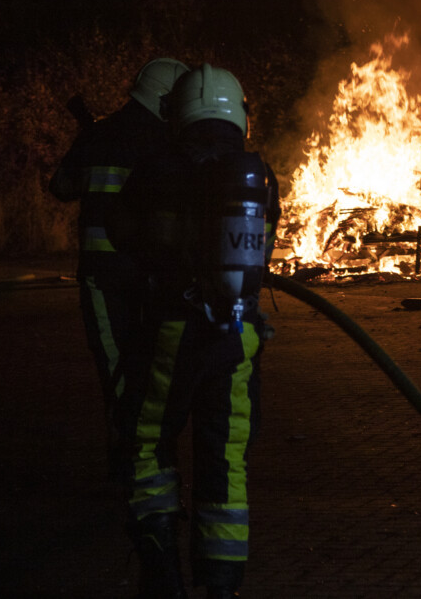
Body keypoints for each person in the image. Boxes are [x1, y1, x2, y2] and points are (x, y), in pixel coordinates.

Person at [113, 63, 280, 599]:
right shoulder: (257, 176)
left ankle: (162, 571)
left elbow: (122, 235)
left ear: (176, 112)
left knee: (144, 443)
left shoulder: (158, 168)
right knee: (225, 460)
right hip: (238, 338)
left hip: (171, 330)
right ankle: (222, 587)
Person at [49, 58, 188, 477]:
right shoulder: (169, 143)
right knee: (153, 365)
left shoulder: (99, 135)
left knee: (117, 368)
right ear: (165, 100)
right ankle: (149, 458)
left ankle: (133, 458)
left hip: (102, 277)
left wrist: (86, 147)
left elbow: (61, 187)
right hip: (152, 276)